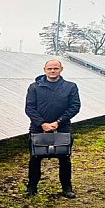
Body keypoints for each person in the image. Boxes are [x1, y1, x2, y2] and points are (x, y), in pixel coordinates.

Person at [24, 59, 81, 198]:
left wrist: (59, 122)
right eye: (50, 68)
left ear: (61, 69)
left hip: (62, 128)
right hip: (38, 129)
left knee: (64, 159)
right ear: (44, 69)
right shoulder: (34, 87)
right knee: (35, 158)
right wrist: (42, 123)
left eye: (56, 68)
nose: (53, 71)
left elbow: (75, 106)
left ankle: (67, 188)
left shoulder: (70, 87)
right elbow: (29, 108)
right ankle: (32, 187)